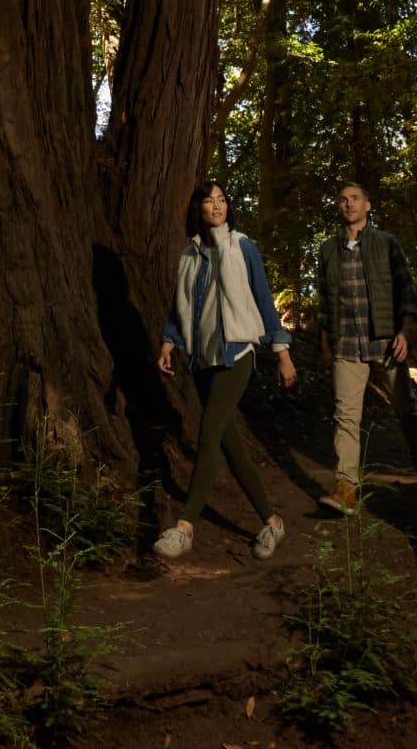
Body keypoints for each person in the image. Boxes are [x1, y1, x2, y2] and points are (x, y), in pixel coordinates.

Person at [154, 180, 297, 561]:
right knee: (231, 446)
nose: (216, 206)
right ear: (198, 208)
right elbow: (180, 304)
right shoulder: (189, 253)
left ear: (227, 207)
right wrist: (169, 341)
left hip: (236, 354)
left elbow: (263, 299)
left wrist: (281, 352)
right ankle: (272, 522)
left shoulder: (242, 246)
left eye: (221, 200)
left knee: (208, 435)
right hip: (203, 359)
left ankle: (185, 527)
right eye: (208, 201)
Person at [310, 181, 417, 514]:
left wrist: (404, 332)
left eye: (355, 199)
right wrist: (325, 342)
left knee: (406, 410)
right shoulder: (327, 250)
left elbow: (406, 291)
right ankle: (346, 490)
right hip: (346, 343)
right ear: (338, 207)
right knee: (345, 418)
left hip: (386, 341)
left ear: (368, 205)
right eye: (343, 199)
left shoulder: (387, 243)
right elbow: (324, 302)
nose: (348, 204)